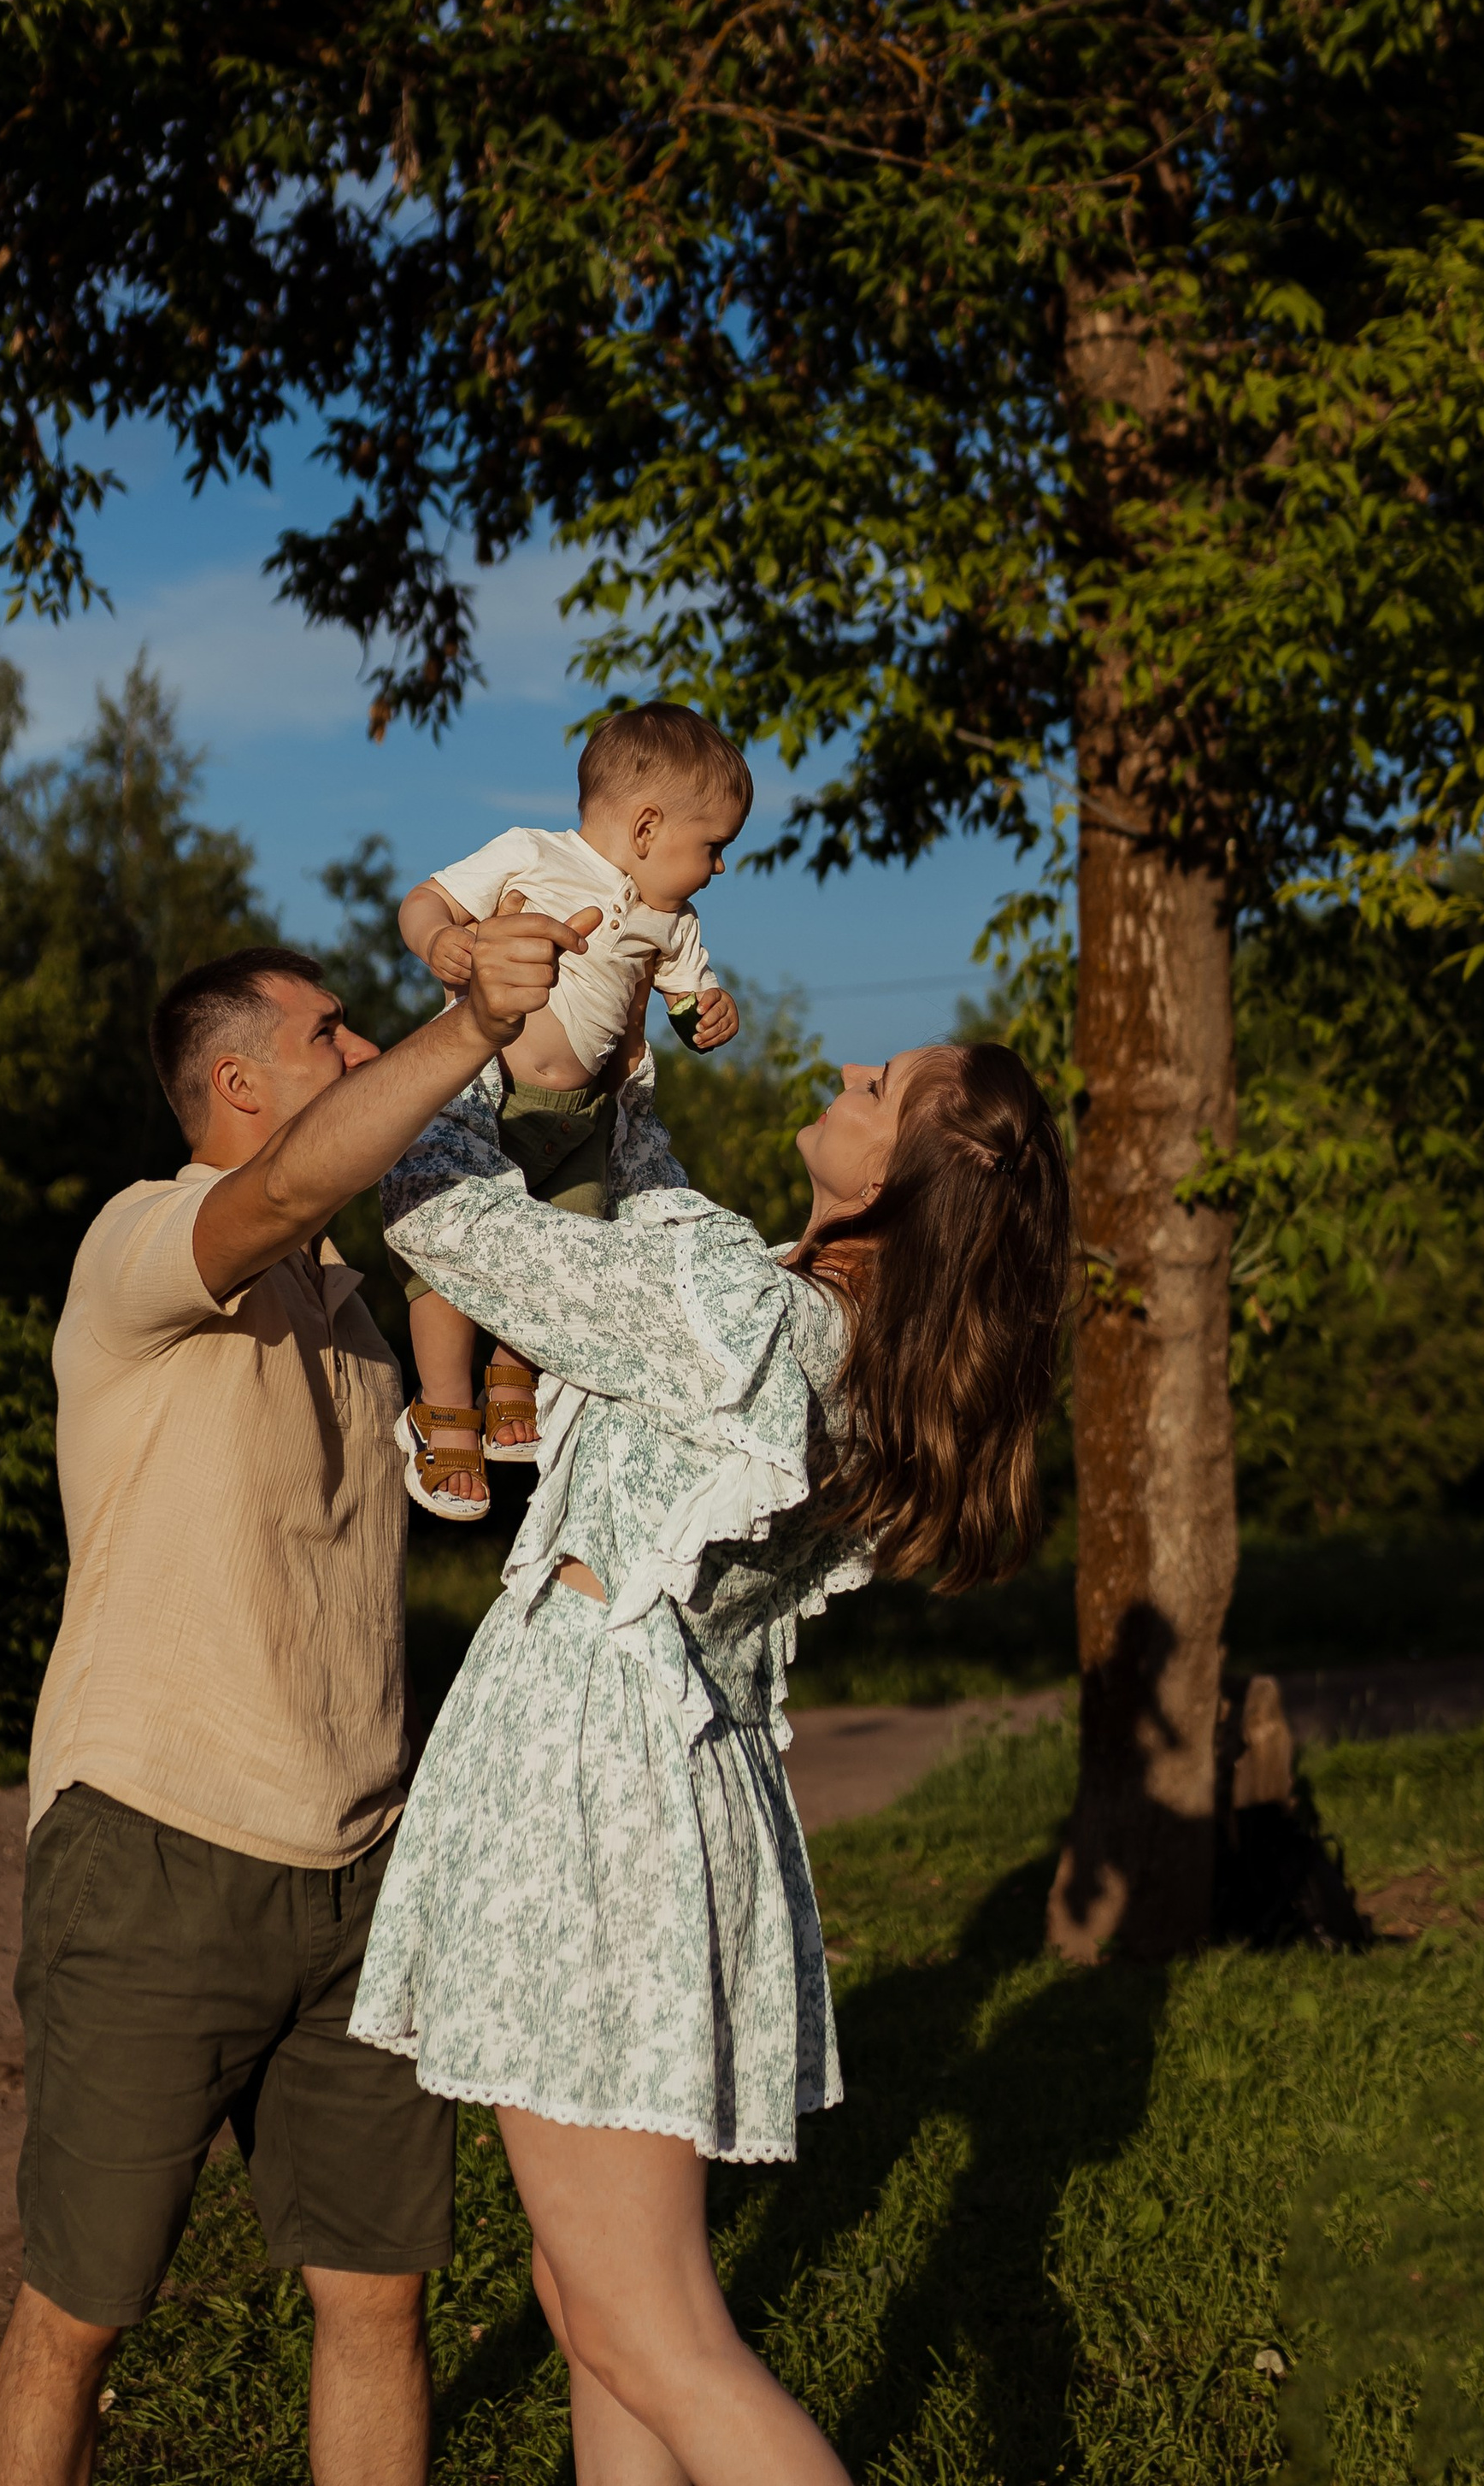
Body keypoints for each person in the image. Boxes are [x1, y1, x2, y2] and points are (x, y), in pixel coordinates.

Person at [349, 1027, 1074, 2485]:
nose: (859, 1068)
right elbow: (658, 1207)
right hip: (663, 1780)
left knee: (649, 2325)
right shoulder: (825, 1333)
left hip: (594, 1786)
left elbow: (437, 1207)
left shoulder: (739, 1317)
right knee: (595, 2305)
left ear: (900, 1184)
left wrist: (451, 1056)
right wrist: (611, 1063)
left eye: (887, 1090)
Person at [0, 904, 599, 2486]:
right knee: (79, 2310)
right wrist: (465, 1020)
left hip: (363, 1868)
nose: (363, 1049)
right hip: (153, 1844)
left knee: (378, 2301)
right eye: (333, 1033)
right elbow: (293, 1188)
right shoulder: (140, 1245)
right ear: (240, 1086)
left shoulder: (361, 1312)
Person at [392, 702, 750, 1517]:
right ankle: (442, 1407)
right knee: (442, 1238)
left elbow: (692, 1006)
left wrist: (712, 1014)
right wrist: (440, 941)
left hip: (584, 1113)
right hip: (491, 1096)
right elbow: (427, 898)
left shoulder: (676, 922)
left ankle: (514, 1374)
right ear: (649, 826)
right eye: (714, 846)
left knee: (567, 1241)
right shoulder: (533, 853)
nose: (721, 868)